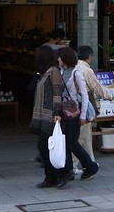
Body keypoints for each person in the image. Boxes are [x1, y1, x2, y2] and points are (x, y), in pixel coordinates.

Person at [57, 46, 99, 185]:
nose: (58, 59)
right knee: (68, 142)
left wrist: (83, 116)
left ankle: (90, 166)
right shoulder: (62, 71)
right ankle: (69, 170)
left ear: (65, 59)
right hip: (65, 111)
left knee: (73, 142)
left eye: (60, 57)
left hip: (74, 112)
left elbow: (84, 96)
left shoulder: (76, 73)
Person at [29, 44, 64, 188]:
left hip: (50, 115)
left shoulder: (53, 71)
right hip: (43, 114)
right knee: (45, 146)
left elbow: (57, 93)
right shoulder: (43, 73)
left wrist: (57, 113)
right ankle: (51, 177)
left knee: (44, 146)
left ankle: (58, 175)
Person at [74, 46, 107, 169]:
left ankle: (90, 162)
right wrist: (109, 96)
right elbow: (97, 88)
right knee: (81, 137)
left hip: (73, 105)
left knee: (86, 136)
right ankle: (74, 165)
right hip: (84, 106)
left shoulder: (73, 68)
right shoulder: (87, 70)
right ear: (89, 56)